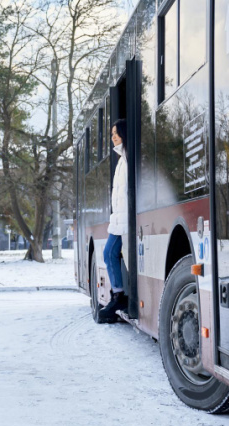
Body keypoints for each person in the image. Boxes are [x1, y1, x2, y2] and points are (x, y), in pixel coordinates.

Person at [100, 119, 129, 321]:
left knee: (109, 252)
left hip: (124, 220)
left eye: (116, 133)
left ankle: (118, 295)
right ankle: (118, 294)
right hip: (118, 219)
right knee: (110, 253)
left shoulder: (127, 159)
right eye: (111, 134)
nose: (113, 137)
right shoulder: (121, 160)